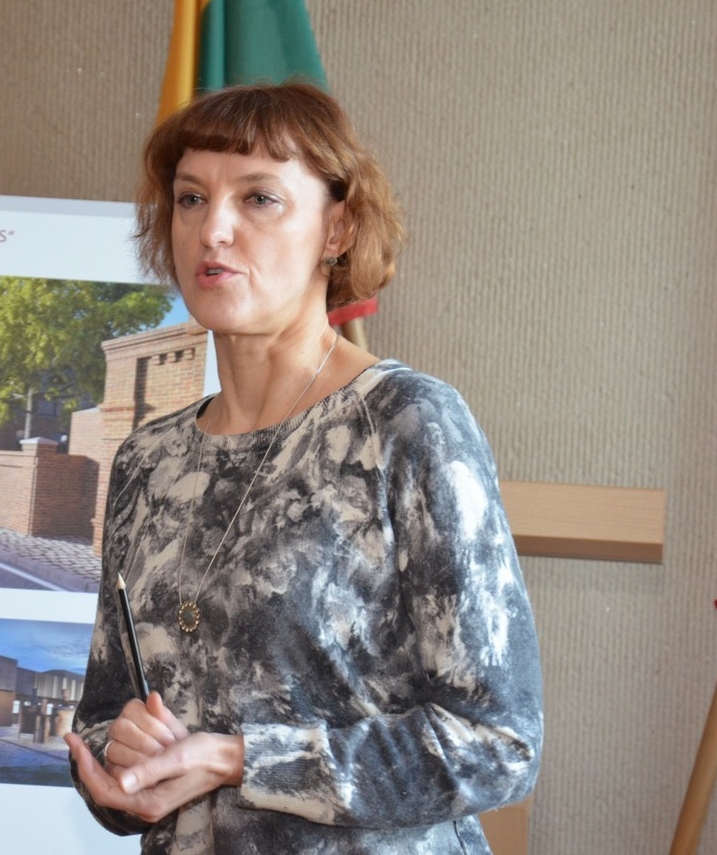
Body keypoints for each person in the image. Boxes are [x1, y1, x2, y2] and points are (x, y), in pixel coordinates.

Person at [64, 82, 543, 855]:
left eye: (258, 199)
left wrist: (239, 760)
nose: (213, 229)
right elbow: (106, 719)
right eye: (191, 199)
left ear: (337, 228)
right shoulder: (147, 461)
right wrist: (122, 758)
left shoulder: (406, 422)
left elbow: (498, 743)